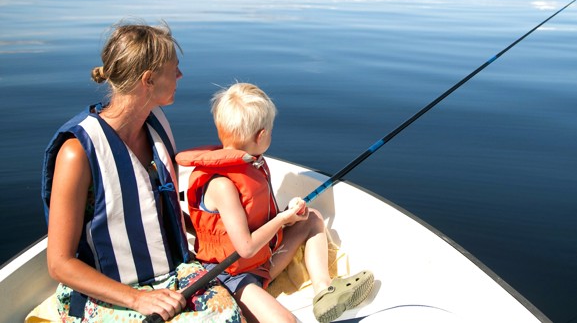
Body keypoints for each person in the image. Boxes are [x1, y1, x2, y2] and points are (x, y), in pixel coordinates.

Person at [42, 21, 242, 322]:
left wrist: (224, 229)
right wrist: (139, 299)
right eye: (174, 69)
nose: (180, 75)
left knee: (227, 315)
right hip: (109, 290)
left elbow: (156, 211)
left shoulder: (156, 124)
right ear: (148, 80)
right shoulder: (77, 153)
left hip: (172, 274)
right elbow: (59, 264)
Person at [176, 82, 374, 323]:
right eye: (270, 130)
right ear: (261, 136)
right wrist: (282, 219)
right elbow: (245, 248)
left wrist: (288, 216)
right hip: (231, 276)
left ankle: (324, 290)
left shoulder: (251, 163)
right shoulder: (222, 186)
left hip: (262, 260)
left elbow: (255, 218)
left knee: (312, 218)